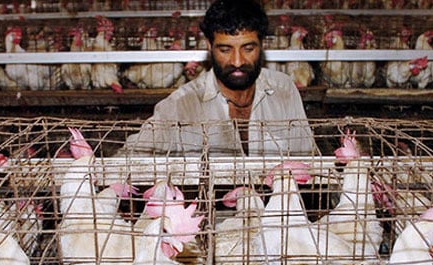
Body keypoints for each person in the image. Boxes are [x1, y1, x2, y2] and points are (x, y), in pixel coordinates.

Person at [117, 0, 319, 157]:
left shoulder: (283, 89)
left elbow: (308, 155)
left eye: (248, 48)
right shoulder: (182, 105)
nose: (238, 61)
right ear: (208, 46)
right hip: (214, 210)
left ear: (262, 44)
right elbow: (134, 154)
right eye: (225, 49)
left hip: (278, 207)